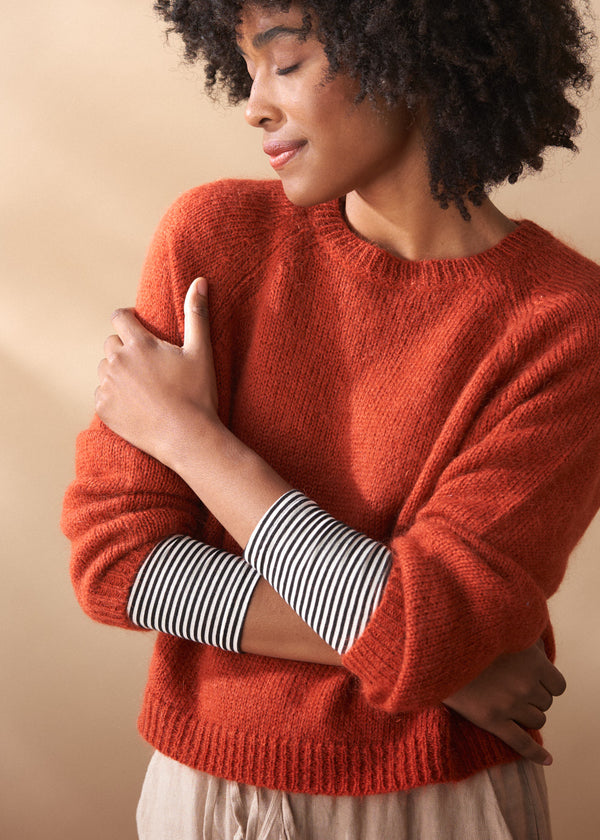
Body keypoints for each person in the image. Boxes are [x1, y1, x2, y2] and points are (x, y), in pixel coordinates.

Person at [61, 1, 600, 837]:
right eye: (244, 70)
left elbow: (423, 627)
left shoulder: (566, 325)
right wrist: (441, 666)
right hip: (209, 795)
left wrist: (189, 439)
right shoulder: (215, 242)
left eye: (285, 62)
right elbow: (114, 558)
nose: (253, 104)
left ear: (409, 54)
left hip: (437, 807)